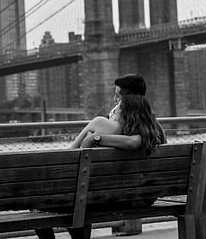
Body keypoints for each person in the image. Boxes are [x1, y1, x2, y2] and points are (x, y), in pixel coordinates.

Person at [35, 74, 166, 239]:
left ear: (126, 103)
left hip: (110, 199)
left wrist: (95, 137)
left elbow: (69, 157)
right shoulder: (154, 128)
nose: (114, 101)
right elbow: (138, 144)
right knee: (77, 204)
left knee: (41, 205)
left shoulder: (102, 126)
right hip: (145, 196)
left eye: (117, 97)